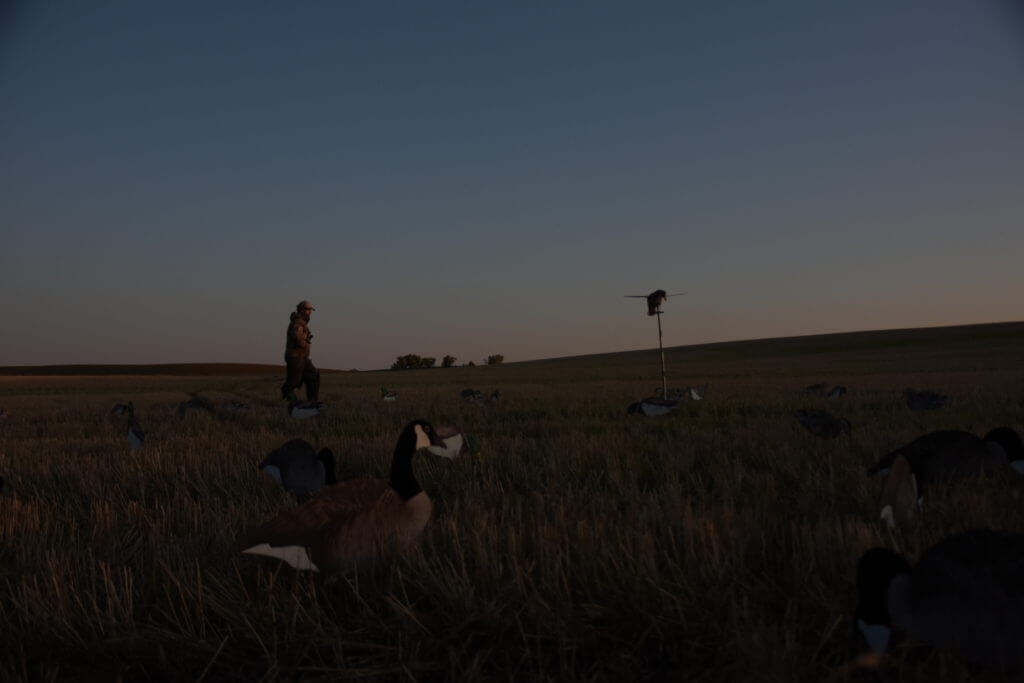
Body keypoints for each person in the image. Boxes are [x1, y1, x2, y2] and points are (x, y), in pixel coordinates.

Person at [281, 300, 320, 403]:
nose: (310, 312)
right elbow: (297, 338)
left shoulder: (302, 322)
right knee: (294, 381)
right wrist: (305, 341)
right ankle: (292, 402)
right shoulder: (298, 322)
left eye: (311, 310)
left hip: (302, 356)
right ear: (302, 310)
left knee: (313, 375)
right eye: (308, 309)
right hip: (296, 356)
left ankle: (312, 402)